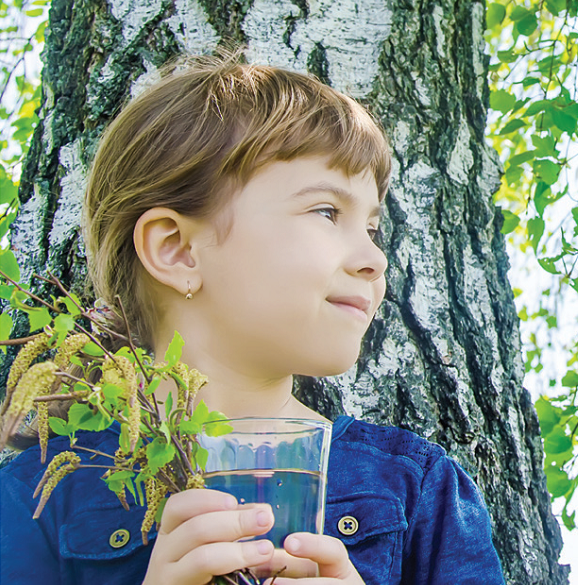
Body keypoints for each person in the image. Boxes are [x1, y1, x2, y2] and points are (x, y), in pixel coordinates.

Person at [0, 55, 506, 585]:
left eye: (373, 228)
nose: (375, 259)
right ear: (177, 250)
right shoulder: (40, 498)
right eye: (327, 212)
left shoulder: (416, 487)